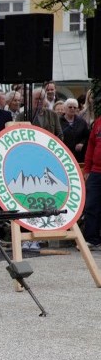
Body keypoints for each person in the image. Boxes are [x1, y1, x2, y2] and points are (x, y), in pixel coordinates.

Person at [83, 112, 101, 250]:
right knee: (90, 206)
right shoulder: (98, 122)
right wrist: (87, 169)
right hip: (96, 171)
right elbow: (91, 146)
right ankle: (91, 239)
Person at [60, 98, 89, 162]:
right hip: (63, 154)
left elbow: (87, 136)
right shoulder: (58, 121)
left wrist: (82, 143)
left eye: (75, 107)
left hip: (78, 156)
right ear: (65, 108)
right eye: (70, 107)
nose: (72, 109)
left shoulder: (82, 122)